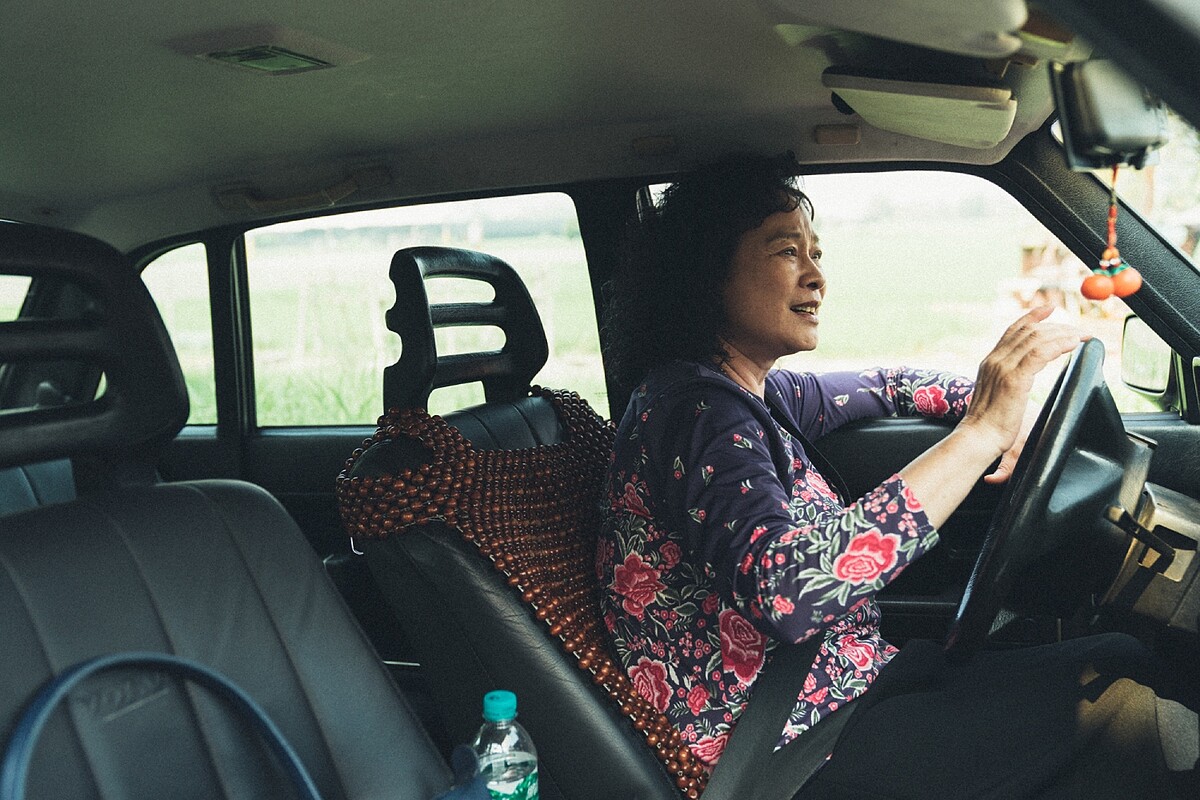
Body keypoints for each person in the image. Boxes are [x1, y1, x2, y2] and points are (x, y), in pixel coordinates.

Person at [597, 154, 1198, 798]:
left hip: (852, 690)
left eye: (815, 252)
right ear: (706, 272)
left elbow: (891, 384)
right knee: (1132, 719)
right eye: (786, 251)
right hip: (791, 752)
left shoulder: (756, 396)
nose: (816, 275)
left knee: (1118, 656)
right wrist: (980, 434)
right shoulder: (697, 414)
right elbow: (787, 595)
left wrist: (1008, 418)